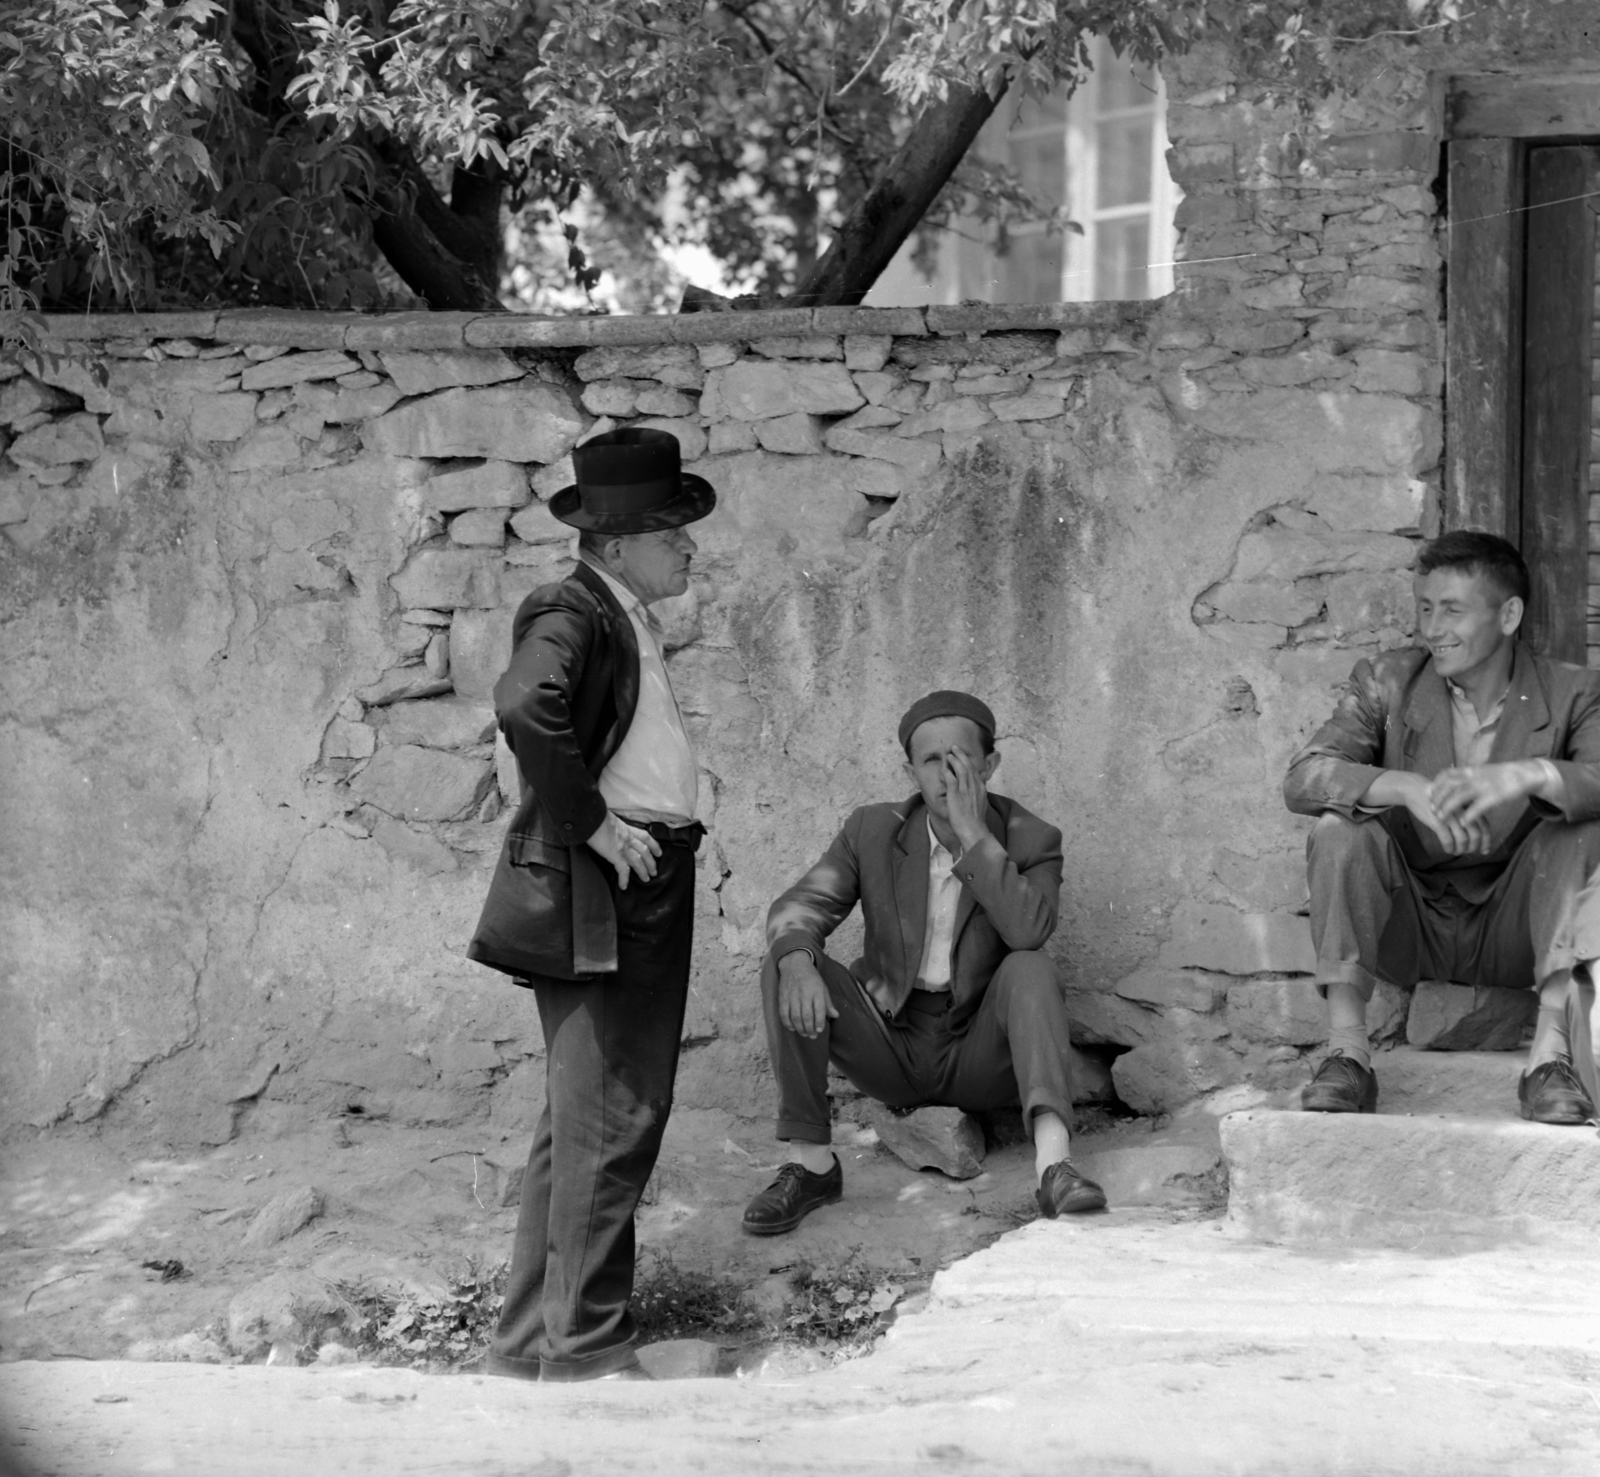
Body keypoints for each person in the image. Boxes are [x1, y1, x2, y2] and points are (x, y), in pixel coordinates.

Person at [467, 427, 713, 1382]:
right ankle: (587, 1349)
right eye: (671, 531)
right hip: (611, 885)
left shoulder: (618, 612)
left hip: (626, 878)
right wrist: (598, 827)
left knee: (579, 1124)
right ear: (616, 546)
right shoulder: (574, 609)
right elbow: (528, 704)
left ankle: (532, 1340)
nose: (689, 543)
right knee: (615, 1114)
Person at [741, 690, 1106, 1236]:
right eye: (931, 761)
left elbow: (1029, 929)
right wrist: (796, 959)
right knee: (788, 957)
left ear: (990, 765)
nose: (946, 774)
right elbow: (800, 907)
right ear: (909, 771)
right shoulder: (871, 830)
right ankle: (812, 1165)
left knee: (1030, 966)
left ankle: (1054, 1166)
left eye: (960, 758)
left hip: (978, 1052)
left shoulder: (1032, 837)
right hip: (892, 1045)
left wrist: (974, 835)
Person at [1285, 530, 1600, 1121]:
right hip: (1413, 926)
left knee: (1582, 829)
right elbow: (1305, 776)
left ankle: (1550, 1060)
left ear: (1509, 614)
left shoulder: (1573, 691)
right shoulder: (1387, 682)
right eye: (1425, 608)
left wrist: (1530, 775)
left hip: (1519, 929)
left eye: (1452, 610)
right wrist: (1401, 787)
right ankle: (1347, 1055)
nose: (1433, 628)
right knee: (1339, 829)